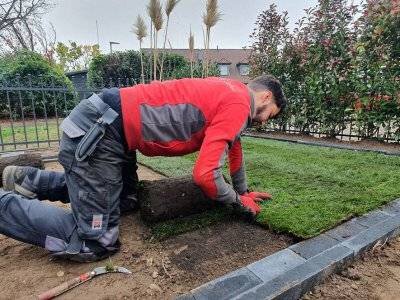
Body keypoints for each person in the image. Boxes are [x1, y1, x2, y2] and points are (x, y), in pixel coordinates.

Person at [0, 75, 286, 262]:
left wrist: (244, 190)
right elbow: (206, 175)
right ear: (265, 97)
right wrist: (239, 204)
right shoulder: (239, 103)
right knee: (99, 242)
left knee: (127, 200)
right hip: (100, 133)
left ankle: (30, 180)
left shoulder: (231, 90)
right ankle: (5, 205)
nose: (261, 122)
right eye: (267, 115)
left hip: (112, 130)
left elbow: (234, 149)